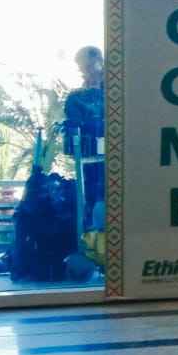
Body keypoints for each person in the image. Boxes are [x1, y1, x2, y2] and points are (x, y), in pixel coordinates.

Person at [63, 46, 105, 229]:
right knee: (93, 192)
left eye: (88, 65)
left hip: (118, 156)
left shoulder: (119, 92)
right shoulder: (76, 97)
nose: (85, 70)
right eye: (82, 67)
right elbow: (73, 124)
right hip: (89, 155)